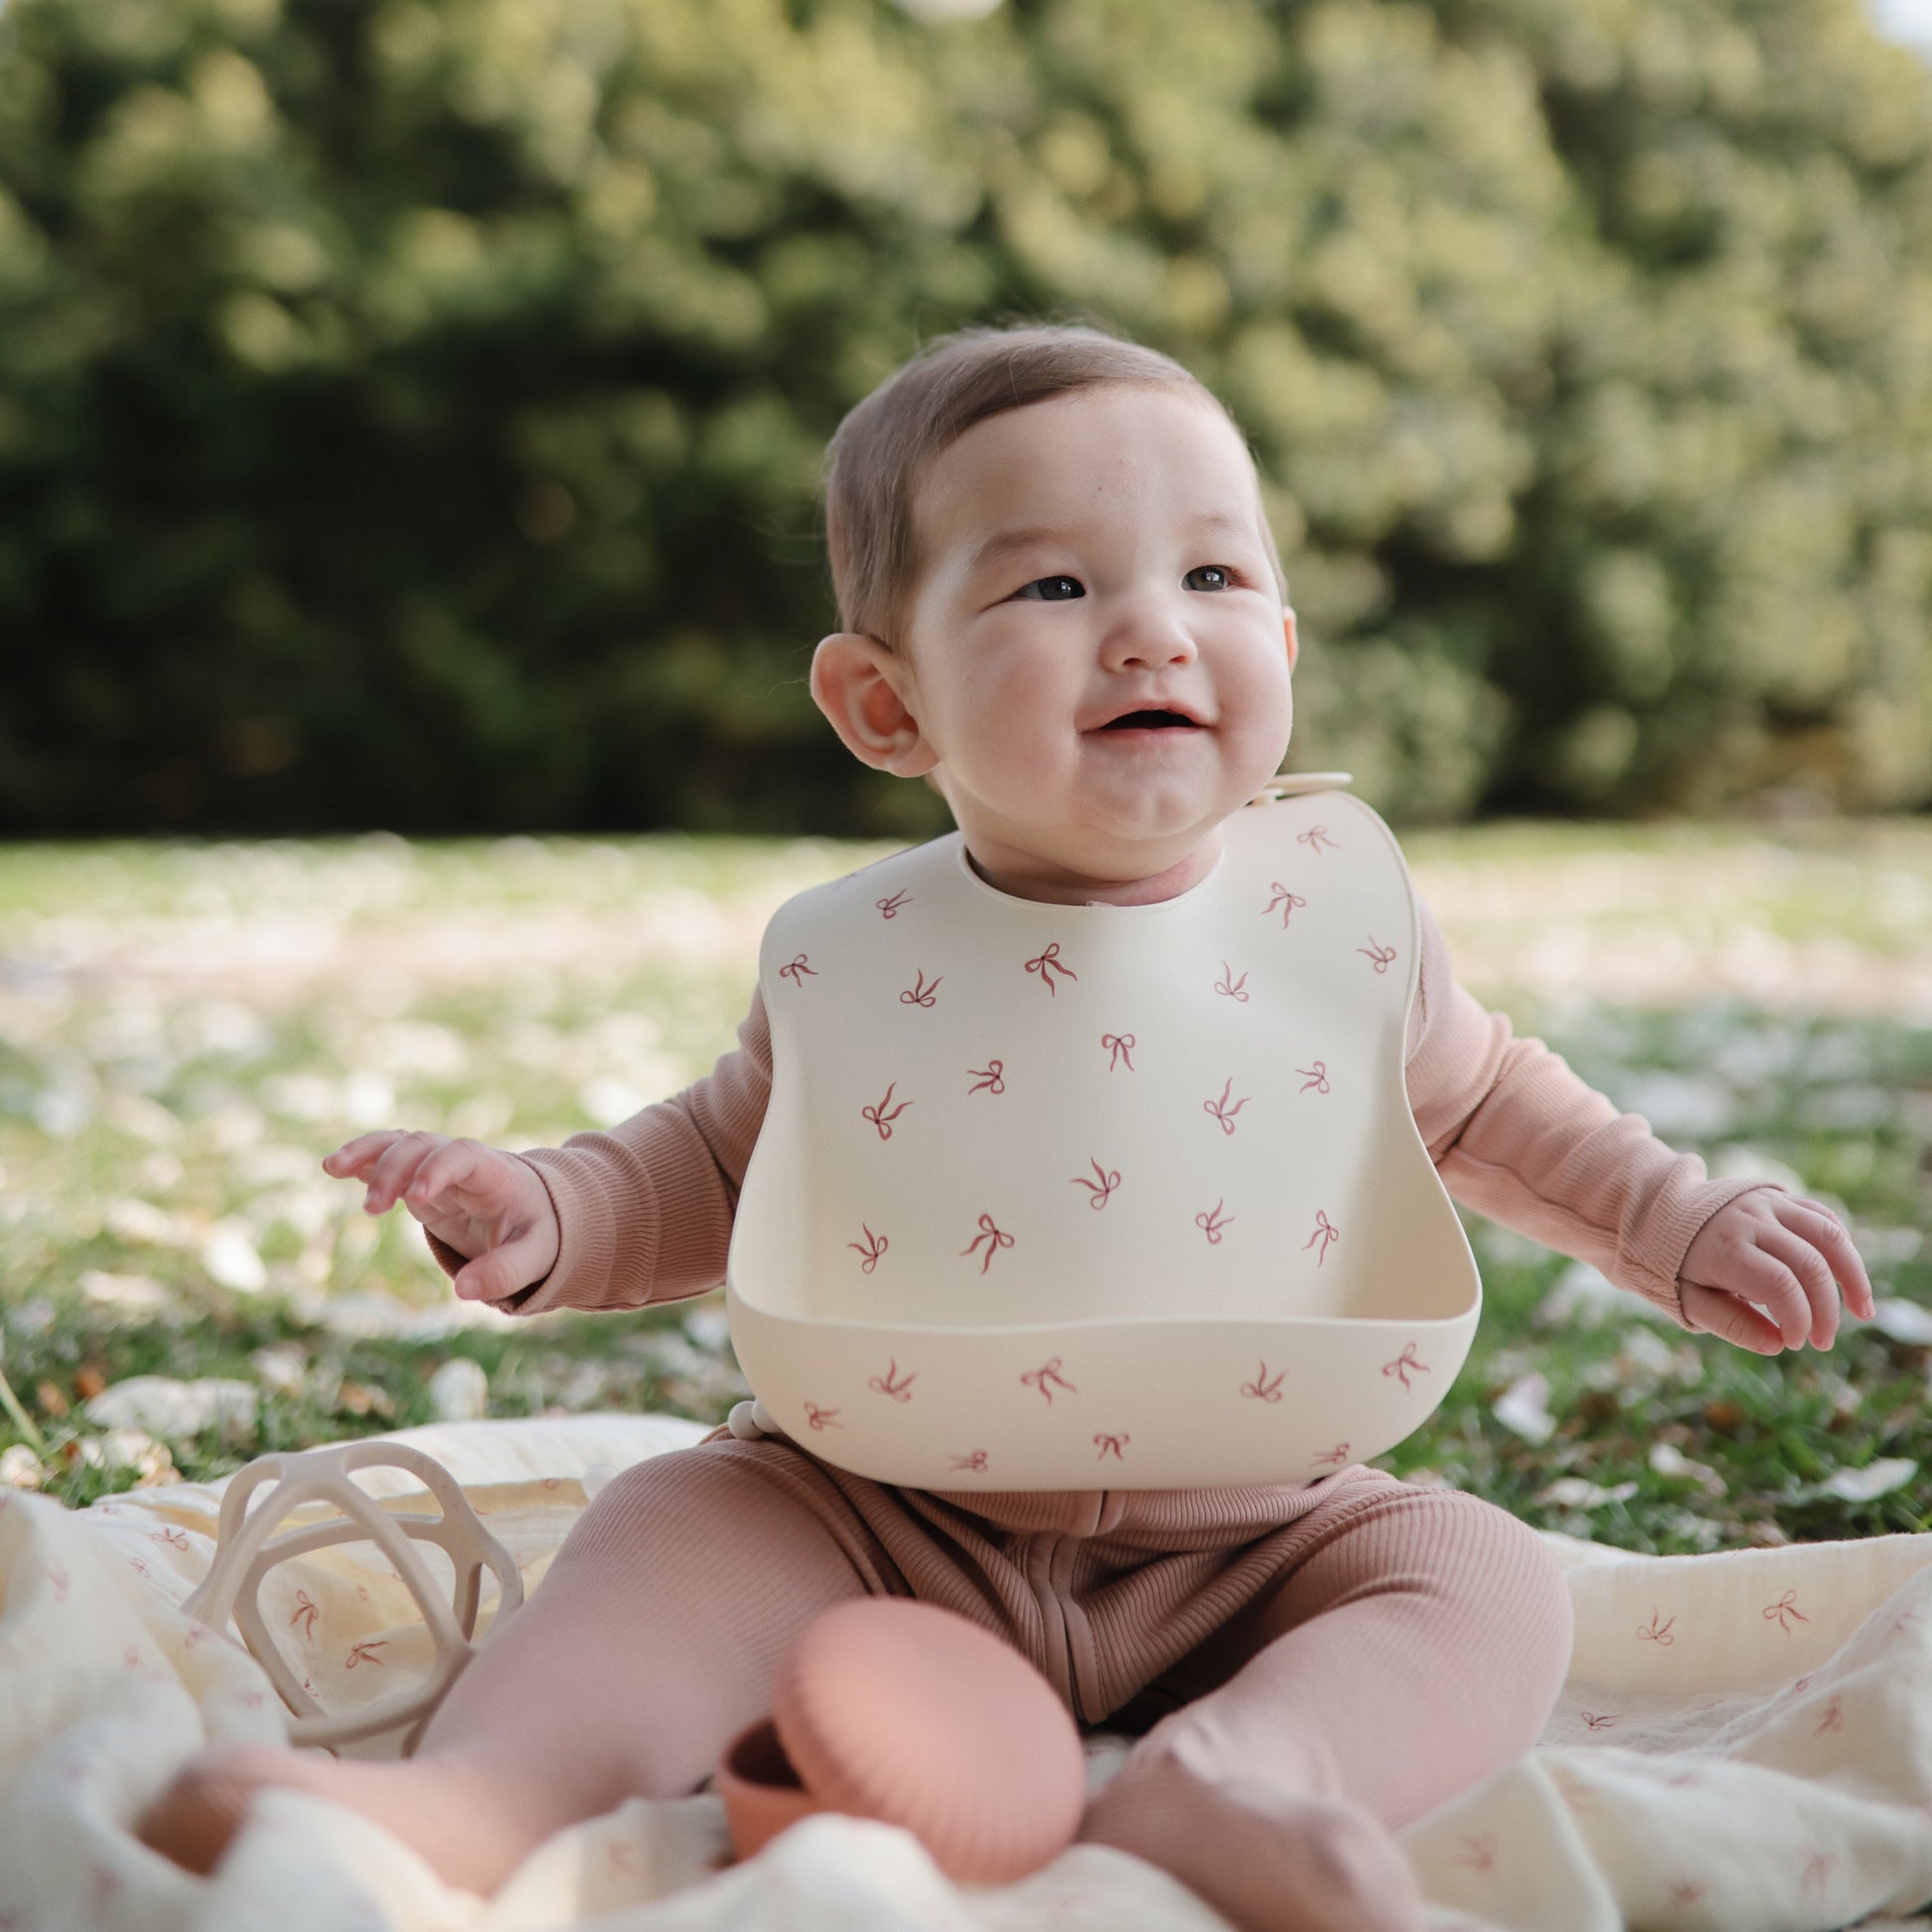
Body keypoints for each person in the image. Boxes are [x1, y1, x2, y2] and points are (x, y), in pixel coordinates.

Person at [138, 323, 1875, 1931]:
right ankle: (476, 1802)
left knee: (1474, 1577)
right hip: (879, 1511)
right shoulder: (856, 959)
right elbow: (717, 1164)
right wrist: (545, 1207)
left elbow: (1493, 1105)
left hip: (1257, 1522)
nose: (1151, 628)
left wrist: (1676, 1219)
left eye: (1211, 575)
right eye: (1054, 582)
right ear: (885, 705)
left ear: (1279, 645)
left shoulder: (1335, 919)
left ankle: (1235, 1782)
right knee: (670, 1529)